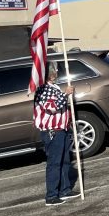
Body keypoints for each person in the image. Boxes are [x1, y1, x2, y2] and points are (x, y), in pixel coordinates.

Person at [33, 65, 77, 205]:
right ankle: (51, 195)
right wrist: (66, 94)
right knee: (54, 163)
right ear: (50, 74)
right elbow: (51, 107)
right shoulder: (43, 89)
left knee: (65, 160)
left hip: (61, 129)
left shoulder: (55, 87)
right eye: (55, 70)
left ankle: (65, 189)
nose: (57, 72)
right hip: (52, 130)